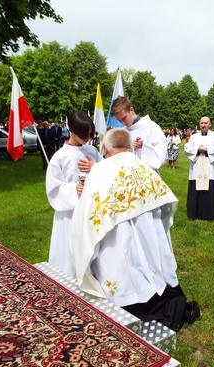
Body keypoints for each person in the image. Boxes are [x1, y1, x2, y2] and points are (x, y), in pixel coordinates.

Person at [71, 128, 200, 331]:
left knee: (120, 268)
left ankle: (128, 301)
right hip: (148, 233)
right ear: (130, 147)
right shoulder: (144, 168)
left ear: (106, 149)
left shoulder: (100, 171)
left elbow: (87, 214)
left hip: (112, 236)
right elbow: (166, 203)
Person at [46, 112, 103, 278]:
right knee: (69, 250)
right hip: (69, 212)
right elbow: (53, 187)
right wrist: (73, 189)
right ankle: (67, 279)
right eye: (84, 134)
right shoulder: (60, 157)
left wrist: (95, 167)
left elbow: (106, 172)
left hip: (90, 209)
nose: (88, 138)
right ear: (72, 130)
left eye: (91, 134)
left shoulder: (92, 151)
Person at [110, 96, 167, 173]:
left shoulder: (151, 127)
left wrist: (143, 147)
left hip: (148, 176)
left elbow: (162, 156)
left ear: (131, 110)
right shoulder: (123, 132)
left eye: (124, 118)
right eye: (119, 120)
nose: (123, 123)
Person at [184, 116, 214, 220]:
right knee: (196, 187)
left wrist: (207, 149)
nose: (203, 125)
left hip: (210, 167)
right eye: (201, 123)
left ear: (210, 124)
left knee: (208, 188)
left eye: (206, 123)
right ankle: (194, 213)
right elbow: (187, 148)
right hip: (196, 166)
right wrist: (197, 149)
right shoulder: (194, 136)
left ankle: (209, 214)